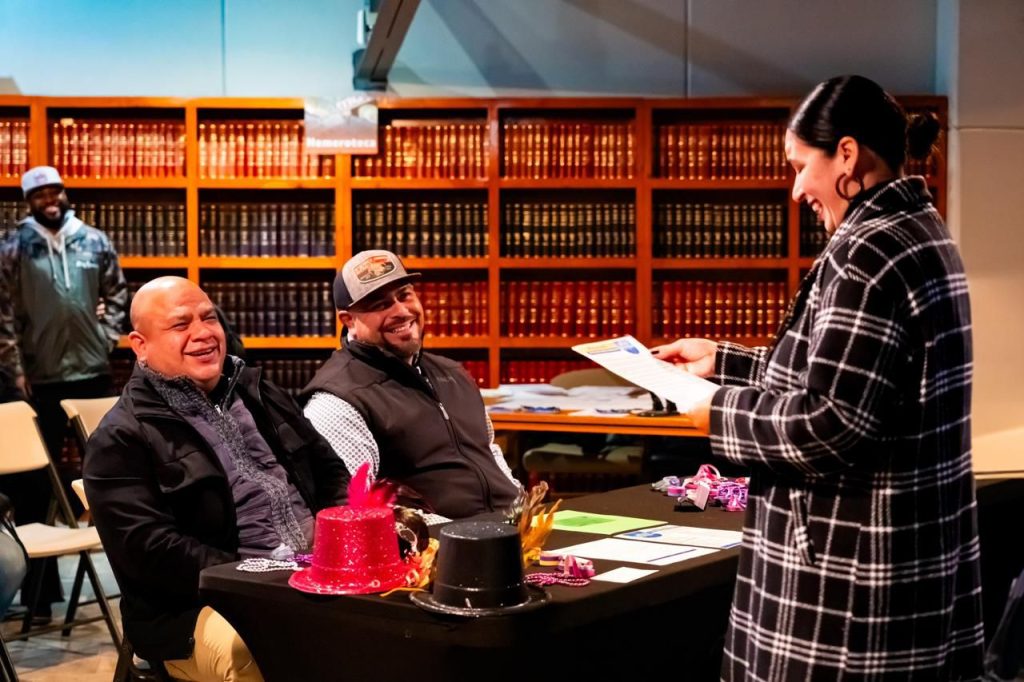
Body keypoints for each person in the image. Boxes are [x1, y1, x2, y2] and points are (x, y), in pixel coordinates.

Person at [653, 75, 983, 679]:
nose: (797, 188)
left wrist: (716, 411)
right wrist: (722, 361)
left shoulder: (868, 253)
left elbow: (830, 420)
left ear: (847, 156)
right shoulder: (919, 231)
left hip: (846, 581)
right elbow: (846, 376)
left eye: (801, 165)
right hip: (898, 564)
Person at [84, 276, 350, 682]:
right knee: (258, 646)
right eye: (180, 324)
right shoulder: (120, 437)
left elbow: (330, 470)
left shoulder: (260, 392)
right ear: (140, 345)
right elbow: (151, 553)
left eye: (209, 318)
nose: (204, 333)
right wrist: (261, 575)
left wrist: (342, 537)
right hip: (195, 607)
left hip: (313, 572)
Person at [301, 249, 521, 520]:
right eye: (380, 304)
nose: (401, 311)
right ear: (349, 321)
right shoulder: (337, 401)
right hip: (438, 542)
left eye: (404, 295)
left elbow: (488, 451)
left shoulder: (453, 373)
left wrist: (522, 508)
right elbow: (355, 512)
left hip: (512, 530)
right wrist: (456, 533)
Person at [0, 165, 128, 619]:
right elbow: (3, 315)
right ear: (28, 201)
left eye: (55, 191)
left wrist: (105, 338)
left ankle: (133, 587)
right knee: (35, 487)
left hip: (92, 373)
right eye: (40, 194)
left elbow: (118, 293)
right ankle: (40, 598)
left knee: (114, 474)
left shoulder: (94, 240)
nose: (50, 199)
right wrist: (16, 371)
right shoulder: (13, 246)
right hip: (39, 379)